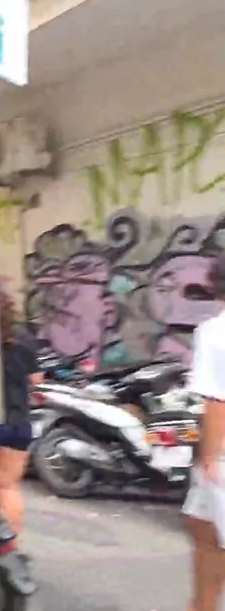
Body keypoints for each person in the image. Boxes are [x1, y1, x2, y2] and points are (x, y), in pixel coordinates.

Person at [183, 252, 225, 611]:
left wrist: (209, 458)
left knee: (207, 535)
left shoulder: (215, 332)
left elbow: (217, 401)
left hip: (223, 455)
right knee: (200, 524)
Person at [0, 289, 42, 536]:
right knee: (7, 487)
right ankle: (9, 546)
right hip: (17, 420)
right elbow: (36, 379)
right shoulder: (21, 337)